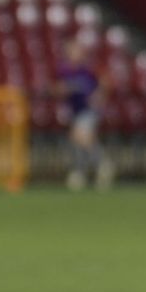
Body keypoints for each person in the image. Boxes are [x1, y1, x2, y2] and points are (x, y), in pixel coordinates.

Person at [57, 38, 112, 191]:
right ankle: (85, 170)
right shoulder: (64, 70)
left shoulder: (88, 69)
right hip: (75, 110)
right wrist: (64, 89)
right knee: (80, 140)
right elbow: (56, 88)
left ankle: (100, 165)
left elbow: (105, 82)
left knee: (79, 136)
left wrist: (99, 96)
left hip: (89, 109)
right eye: (70, 51)